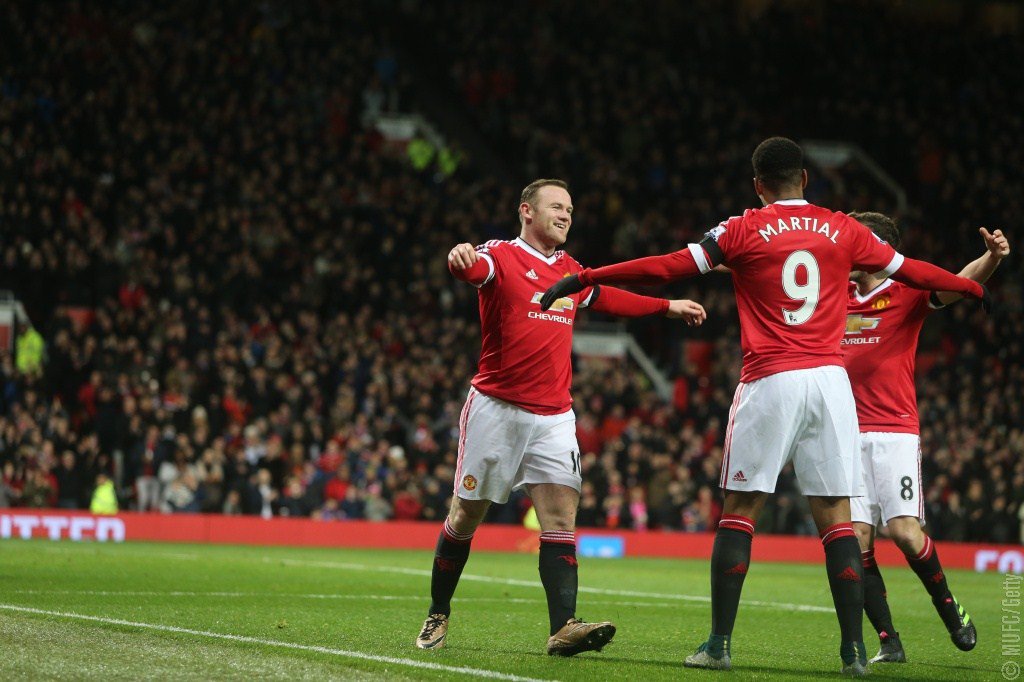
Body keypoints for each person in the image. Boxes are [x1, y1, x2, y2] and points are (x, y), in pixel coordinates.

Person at [540, 137, 990, 675]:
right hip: (831, 383)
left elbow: (667, 267)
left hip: (772, 377)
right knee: (838, 522)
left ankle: (718, 645)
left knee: (741, 511)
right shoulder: (844, 230)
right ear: (806, 177)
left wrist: (589, 275)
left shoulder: (741, 229)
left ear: (758, 184)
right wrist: (974, 292)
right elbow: (916, 272)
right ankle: (853, 654)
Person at [416, 178, 707, 656]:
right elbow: (471, 268)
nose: (566, 214)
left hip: (553, 416)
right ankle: (438, 613)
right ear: (526, 211)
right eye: (556, 206)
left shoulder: (572, 272)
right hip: (497, 410)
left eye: (570, 209)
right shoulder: (501, 256)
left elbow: (609, 296)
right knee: (465, 516)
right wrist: (459, 257)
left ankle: (563, 627)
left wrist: (666, 307)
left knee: (560, 520)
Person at [843, 213, 1009, 662]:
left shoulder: (906, 292)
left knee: (904, 532)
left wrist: (990, 258)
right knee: (855, 541)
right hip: (845, 436)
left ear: (876, 247)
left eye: (858, 242)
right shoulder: (835, 295)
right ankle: (888, 641)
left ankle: (952, 612)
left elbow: (957, 283)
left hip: (893, 431)